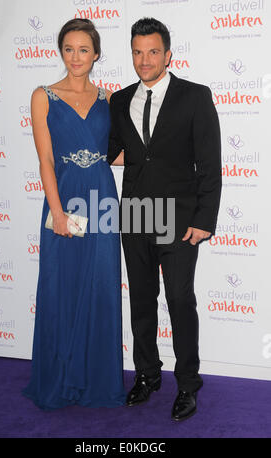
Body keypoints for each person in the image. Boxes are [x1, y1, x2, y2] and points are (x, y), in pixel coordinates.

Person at [108, 17, 222, 421]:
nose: (144, 60)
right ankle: (147, 375)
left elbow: (209, 163)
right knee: (141, 300)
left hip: (179, 218)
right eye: (138, 52)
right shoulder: (119, 100)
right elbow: (114, 151)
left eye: (153, 51)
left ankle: (188, 383)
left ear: (168, 54)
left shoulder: (194, 96)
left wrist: (205, 217)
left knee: (179, 300)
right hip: (135, 215)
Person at [22, 18, 126, 410]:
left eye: (84, 49)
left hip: (102, 201)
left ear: (96, 53)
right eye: (69, 48)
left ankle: (97, 380)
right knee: (60, 285)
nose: (76, 57)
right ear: (61, 52)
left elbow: (115, 152)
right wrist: (57, 211)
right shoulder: (43, 95)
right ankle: (60, 377)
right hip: (63, 199)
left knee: (101, 285)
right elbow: (46, 159)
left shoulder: (110, 98)